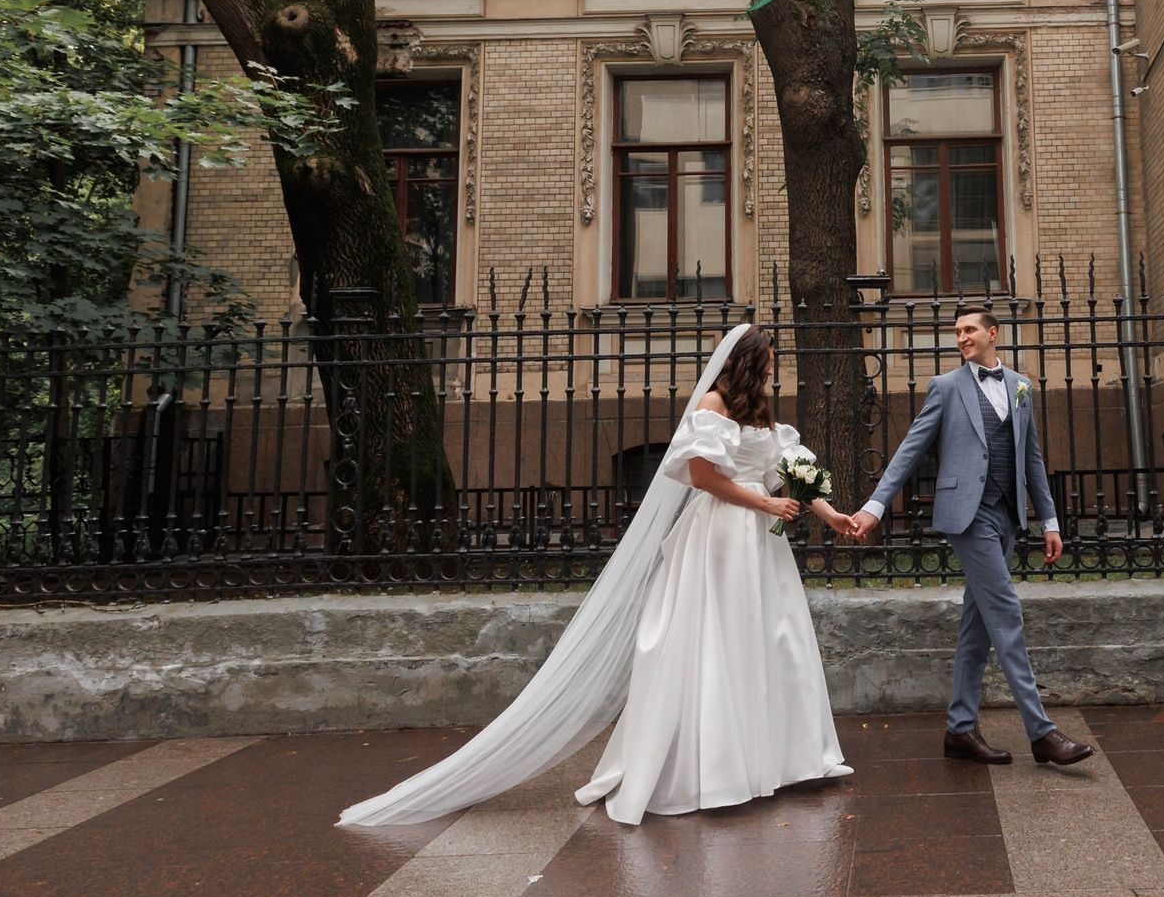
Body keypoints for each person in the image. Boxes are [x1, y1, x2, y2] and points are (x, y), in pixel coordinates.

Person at [339, 323, 851, 828]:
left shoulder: (762, 414)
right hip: (722, 537)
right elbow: (702, 477)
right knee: (717, 642)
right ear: (746, 361)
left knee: (771, 641)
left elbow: (788, 472)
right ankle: (717, 771)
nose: (770, 367)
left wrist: (830, 515)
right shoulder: (712, 406)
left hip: (762, 544)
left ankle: (786, 761)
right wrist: (763, 501)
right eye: (765, 359)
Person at [840, 304, 1094, 768]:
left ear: (992, 333)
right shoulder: (945, 388)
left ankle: (959, 730)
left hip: (1007, 516)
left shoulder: (1019, 387)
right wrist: (875, 507)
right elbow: (910, 449)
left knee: (977, 627)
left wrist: (1050, 521)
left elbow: (1031, 459)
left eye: (969, 330)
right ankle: (1041, 733)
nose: (961, 337)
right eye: (956, 332)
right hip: (968, 516)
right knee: (1006, 613)